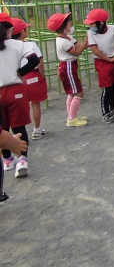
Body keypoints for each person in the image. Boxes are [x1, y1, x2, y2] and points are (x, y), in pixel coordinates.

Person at [0, 14, 39, 187]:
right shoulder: (18, 44)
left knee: (2, 128)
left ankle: (7, 160)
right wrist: (20, 72)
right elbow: (34, 59)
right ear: (10, 30)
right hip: (15, 89)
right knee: (19, 126)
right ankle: (22, 159)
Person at [10, 18, 48, 139]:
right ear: (22, 32)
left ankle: (20, 133)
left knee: (20, 107)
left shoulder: (9, 47)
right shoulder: (30, 45)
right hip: (33, 75)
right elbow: (40, 63)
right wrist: (42, 76)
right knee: (35, 104)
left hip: (17, 77)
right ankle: (37, 129)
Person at [48, 12, 89, 127]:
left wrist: (87, 43)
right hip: (68, 67)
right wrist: (86, 41)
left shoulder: (68, 37)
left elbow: (78, 46)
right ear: (62, 26)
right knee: (79, 92)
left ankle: (72, 115)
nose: (71, 23)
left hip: (69, 66)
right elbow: (77, 52)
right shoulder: (62, 41)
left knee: (71, 92)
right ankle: (72, 119)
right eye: (68, 22)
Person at [84, 9, 114, 124]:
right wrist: (109, 59)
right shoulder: (90, 33)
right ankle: (105, 113)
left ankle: (113, 109)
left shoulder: (112, 29)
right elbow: (95, 50)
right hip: (102, 61)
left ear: (101, 23)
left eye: (93, 24)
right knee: (107, 87)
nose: (91, 26)